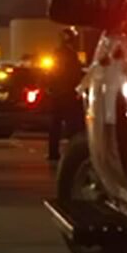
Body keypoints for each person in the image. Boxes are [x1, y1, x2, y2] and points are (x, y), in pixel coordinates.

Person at [47, 27, 86, 162]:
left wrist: (51, 89)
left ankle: (53, 152)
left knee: (55, 124)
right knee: (72, 125)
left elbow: (51, 74)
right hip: (67, 93)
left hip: (58, 93)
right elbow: (74, 74)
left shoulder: (57, 54)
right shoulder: (71, 55)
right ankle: (72, 153)